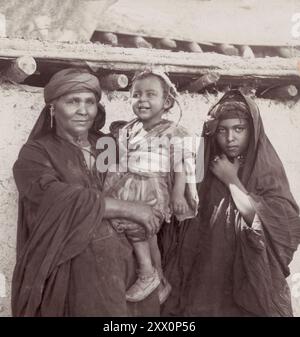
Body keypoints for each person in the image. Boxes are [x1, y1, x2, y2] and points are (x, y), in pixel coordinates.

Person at [11, 68, 162, 317]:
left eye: (90, 102)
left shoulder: (108, 146)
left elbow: (140, 185)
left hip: (128, 271)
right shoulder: (37, 153)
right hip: (74, 276)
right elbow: (54, 196)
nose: (83, 110)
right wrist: (128, 209)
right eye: (73, 101)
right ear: (52, 107)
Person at [161, 89, 300, 317]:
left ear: (252, 131)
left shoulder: (265, 170)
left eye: (239, 129)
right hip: (205, 280)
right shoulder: (203, 168)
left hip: (249, 284)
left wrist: (231, 179)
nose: (230, 138)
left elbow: (280, 227)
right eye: (222, 130)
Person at [103, 69, 199, 304]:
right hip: (129, 185)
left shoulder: (174, 132)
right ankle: (161, 280)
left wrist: (178, 194)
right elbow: (122, 160)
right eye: (136, 95)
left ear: (166, 102)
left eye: (150, 95)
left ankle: (147, 273)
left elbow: (182, 166)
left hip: (152, 188)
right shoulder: (128, 129)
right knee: (146, 235)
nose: (142, 100)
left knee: (140, 229)